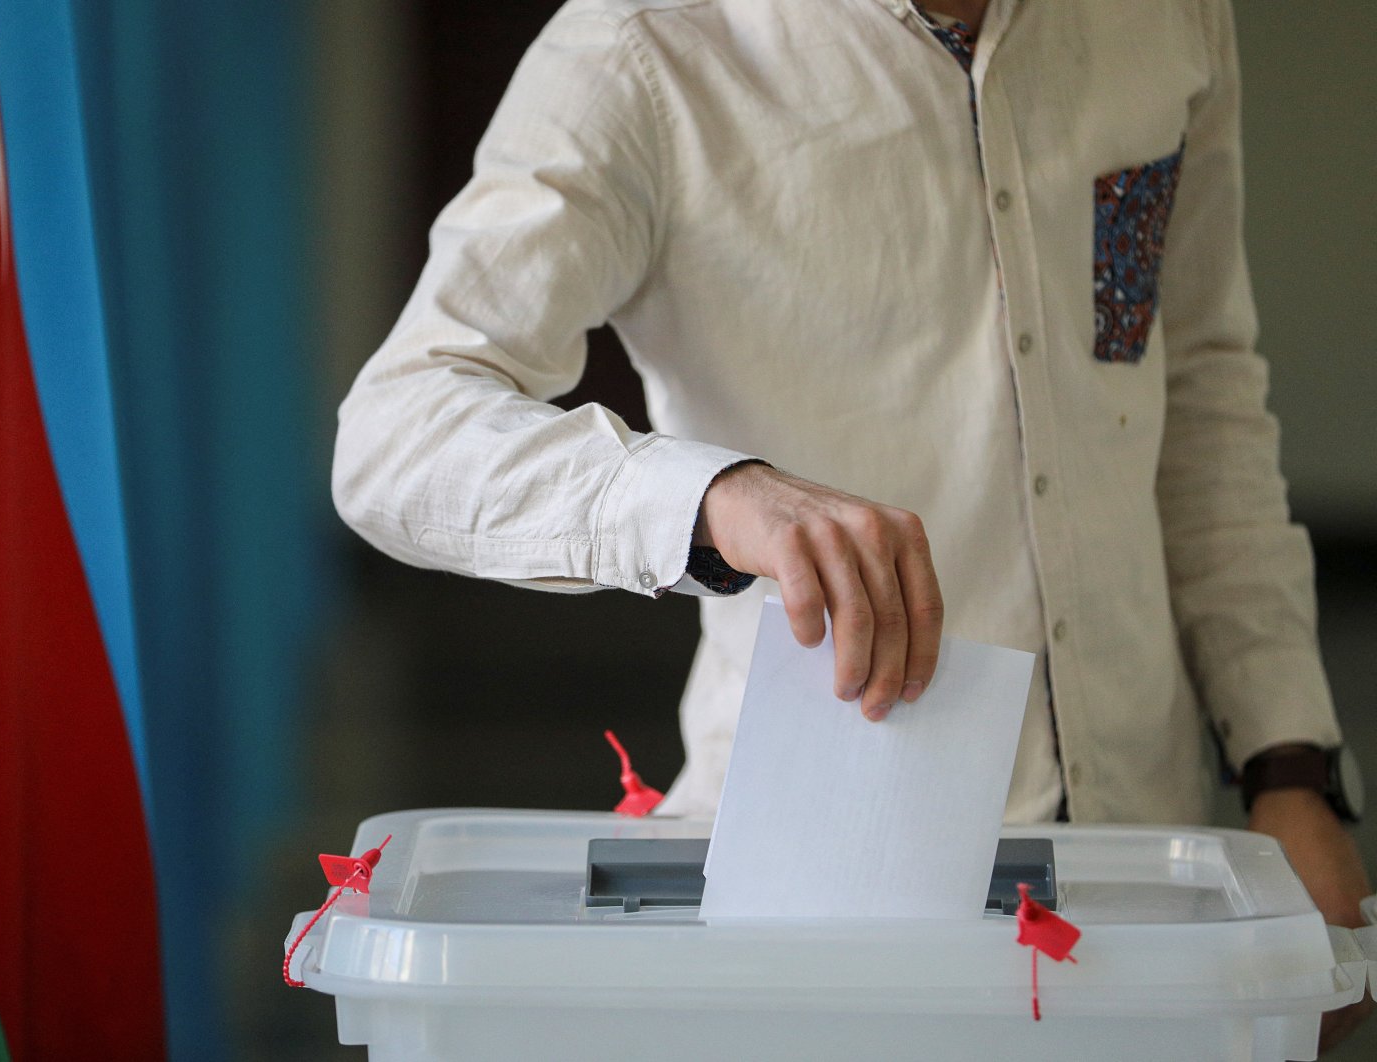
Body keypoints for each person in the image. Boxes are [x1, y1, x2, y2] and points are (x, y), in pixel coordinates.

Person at [333, 0, 1370, 1044]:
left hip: (1152, 887)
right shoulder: (642, 49)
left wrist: (1289, 768)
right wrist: (707, 496)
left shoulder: (1167, 17)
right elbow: (396, 435)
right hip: (820, 911)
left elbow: (1196, 396)